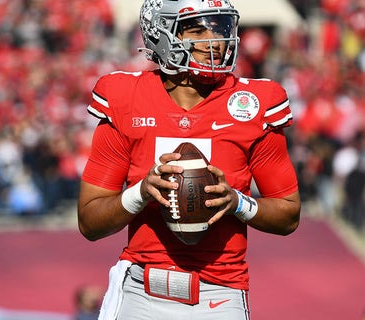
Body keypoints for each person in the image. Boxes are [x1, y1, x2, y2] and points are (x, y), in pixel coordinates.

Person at [77, 0, 301, 319]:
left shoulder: (254, 102)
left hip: (219, 293)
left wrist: (237, 202)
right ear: (161, 35)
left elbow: (289, 215)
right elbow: (90, 221)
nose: (217, 41)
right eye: (198, 30)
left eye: (221, 29)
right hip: (141, 289)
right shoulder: (124, 96)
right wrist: (141, 193)